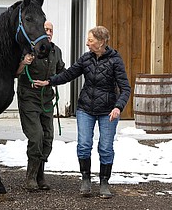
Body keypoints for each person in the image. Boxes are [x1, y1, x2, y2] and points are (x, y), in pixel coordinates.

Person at [33, 26, 131, 198]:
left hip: (108, 111)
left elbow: (125, 88)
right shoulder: (86, 59)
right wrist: (48, 82)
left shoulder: (115, 60)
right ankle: (85, 179)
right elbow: (69, 74)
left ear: (101, 43)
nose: (87, 43)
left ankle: (104, 182)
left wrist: (118, 107)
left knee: (106, 148)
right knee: (84, 145)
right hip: (85, 108)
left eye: (91, 40)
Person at [16, 21, 65, 191]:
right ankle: (30, 178)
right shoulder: (28, 50)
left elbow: (62, 73)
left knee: (48, 138)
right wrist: (24, 63)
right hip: (29, 98)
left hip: (47, 100)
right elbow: (15, 73)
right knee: (36, 137)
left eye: (51, 30)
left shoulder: (56, 51)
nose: (49, 32)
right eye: (46, 29)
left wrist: (52, 81)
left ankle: (40, 174)